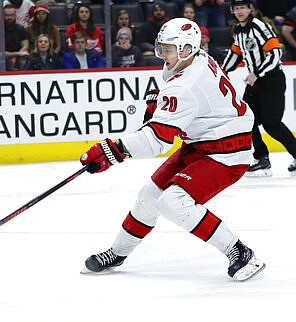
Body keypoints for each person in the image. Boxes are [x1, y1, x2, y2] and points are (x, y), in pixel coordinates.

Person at [79, 17, 265, 282]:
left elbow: (159, 140)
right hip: (202, 144)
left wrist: (113, 150)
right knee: (148, 196)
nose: (160, 53)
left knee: (173, 202)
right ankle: (118, 252)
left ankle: (240, 252)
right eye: (161, 46)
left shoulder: (185, 84)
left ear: (186, 49)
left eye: (166, 48)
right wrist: (162, 102)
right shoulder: (197, 59)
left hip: (226, 153)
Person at [223, 0, 296, 176]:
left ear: (250, 9)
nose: (240, 11)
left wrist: (257, 73)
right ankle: (262, 158)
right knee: (248, 120)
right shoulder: (238, 31)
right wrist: (221, 72)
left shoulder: (259, 27)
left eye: (243, 7)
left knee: (272, 124)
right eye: (236, 8)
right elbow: (235, 53)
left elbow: (275, 53)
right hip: (255, 82)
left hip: (272, 79)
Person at [0, 4, 30, 70]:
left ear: (15, 15)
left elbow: (25, 46)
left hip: (19, 58)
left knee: (25, 60)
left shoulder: (21, 29)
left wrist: (16, 57)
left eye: (12, 15)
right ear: (2, 16)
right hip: (3, 58)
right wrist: (16, 54)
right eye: (7, 15)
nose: (9, 18)